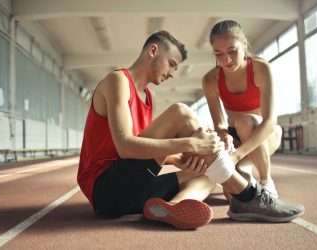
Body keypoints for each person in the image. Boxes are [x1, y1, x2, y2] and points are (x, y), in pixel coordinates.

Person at [77, 30, 304, 230]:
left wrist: (179, 159)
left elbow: (142, 151)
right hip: (106, 190)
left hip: (128, 193)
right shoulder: (118, 80)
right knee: (180, 112)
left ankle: (174, 206)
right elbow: (126, 147)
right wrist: (190, 144)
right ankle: (248, 195)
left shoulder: (147, 97)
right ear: (153, 51)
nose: (173, 73)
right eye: (172, 64)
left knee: (208, 171)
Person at [202, 20, 282, 198]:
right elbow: (220, 124)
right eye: (218, 53)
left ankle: (266, 181)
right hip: (237, 139)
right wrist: (223, 135)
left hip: (266, 134)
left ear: (244, 45)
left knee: (246, 122)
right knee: (232, 196)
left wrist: (236, 156)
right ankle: (245, 168)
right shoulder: (210, 80)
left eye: (232, 51)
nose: (226, 60)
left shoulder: (261, 69)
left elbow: (270, 122)